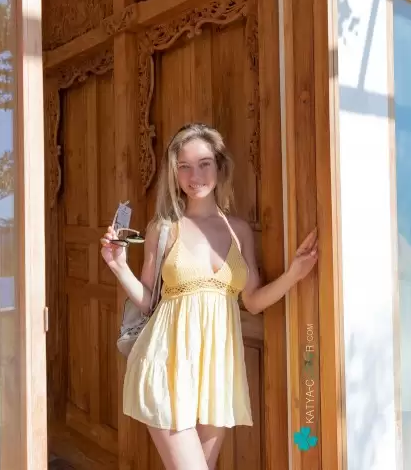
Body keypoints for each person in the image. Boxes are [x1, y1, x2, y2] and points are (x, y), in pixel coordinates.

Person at [100, 123, 319, 470]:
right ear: (174, 174)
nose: (195, 176)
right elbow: (147, 301)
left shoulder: (239, 231)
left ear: (219, 166)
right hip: (165, 365)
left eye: (204, 164)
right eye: (184, 166)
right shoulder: (164, 228)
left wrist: (294, 274)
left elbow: (252, 301)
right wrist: (118, 266)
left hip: (217, 372)